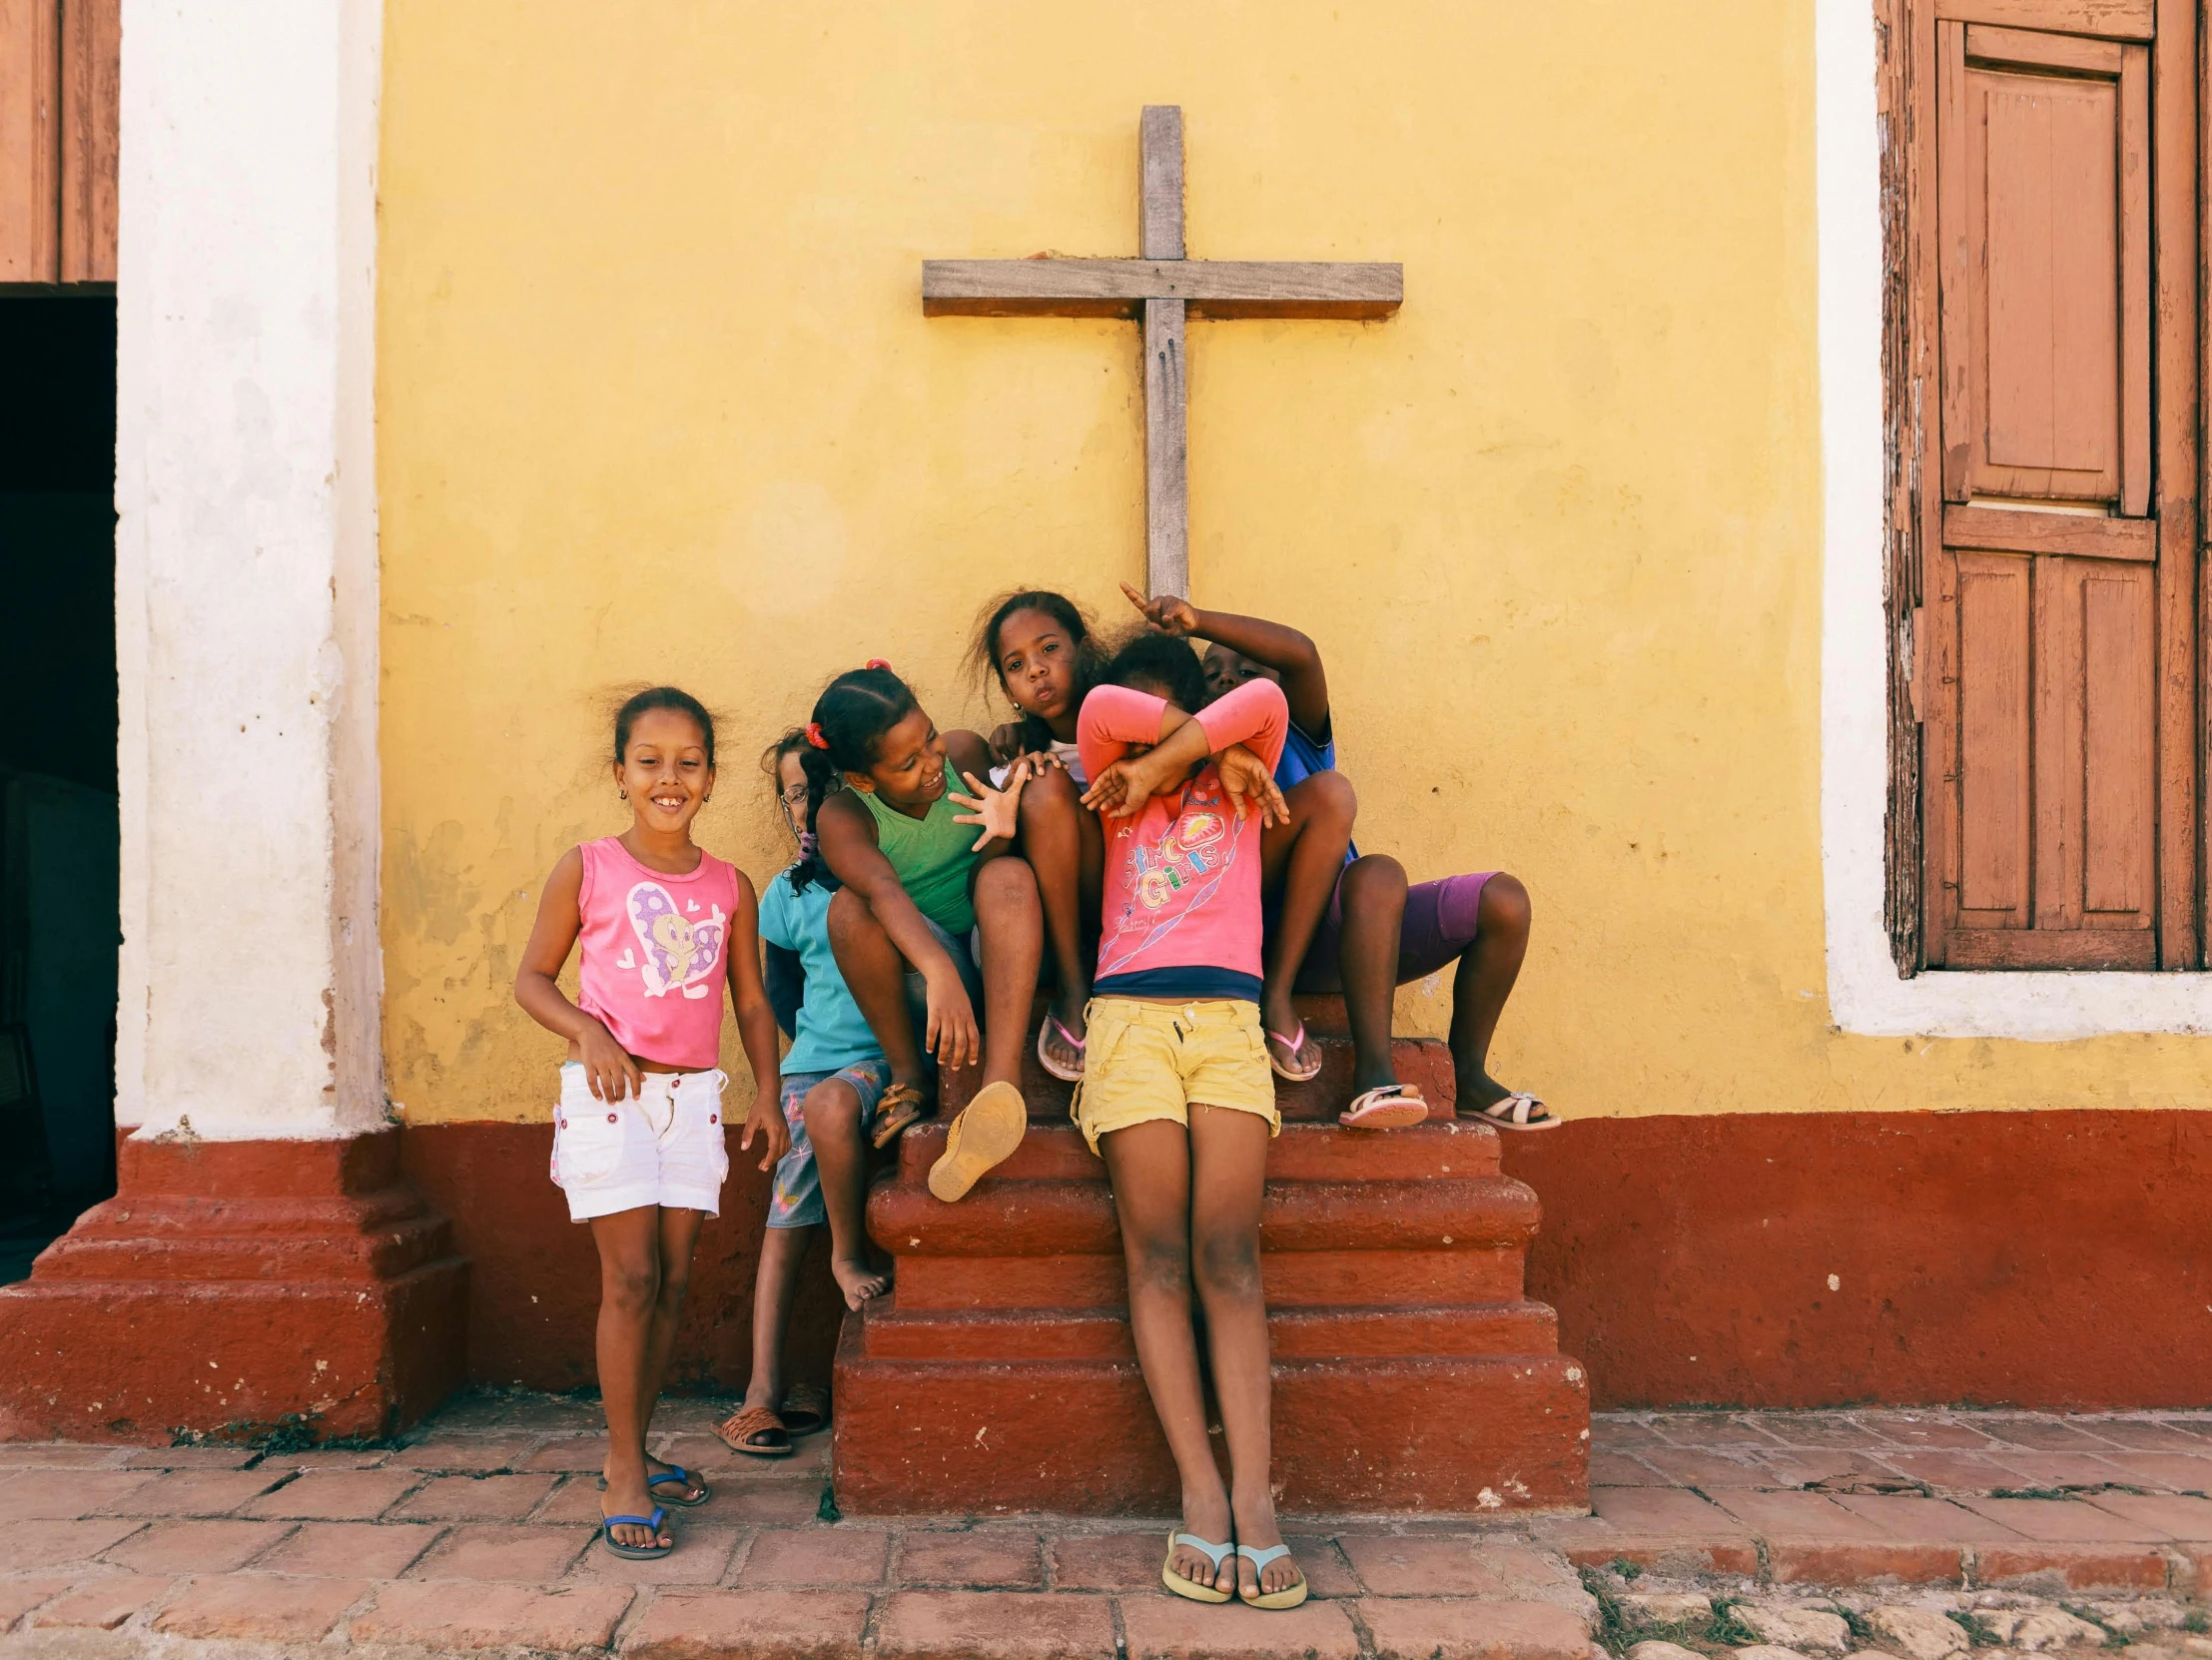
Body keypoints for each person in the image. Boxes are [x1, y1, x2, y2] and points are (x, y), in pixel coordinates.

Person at [513, 686, 786, 1559]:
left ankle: (634, 1448)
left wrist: (767, 1094)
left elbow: (749, 999)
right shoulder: (588, 867)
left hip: (693, 1100)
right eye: (650, 762)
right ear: (620, 773)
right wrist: (588, 1030)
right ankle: (624, 1472)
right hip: (609, 1099)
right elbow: (533, 979)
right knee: (628, 1281)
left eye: (689, 762)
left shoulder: (729, 885)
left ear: (709, 777)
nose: (669, 779)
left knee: (670, 1283)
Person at [1072, 629, 1309, 1610]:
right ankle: (1202, 1494)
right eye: (1150, 726)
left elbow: (1264, 694)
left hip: (1226, 1022)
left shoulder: (1243, 782)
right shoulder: (1113, 780)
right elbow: (1100, 716)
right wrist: (1183, 749)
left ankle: (1257, 1506)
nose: (1149, 748)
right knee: (1157, 1255)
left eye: (1178, 715)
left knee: (1228, 1253)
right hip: (1128, 1020)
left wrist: (1198, 755)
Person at [1126, 587, 1552, 1130]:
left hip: (1340, 938)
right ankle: (1374, 1071)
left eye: (1249, 670)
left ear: (1283, 693)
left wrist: (1201, 621)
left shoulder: (1301, 741)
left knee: (1497, 899)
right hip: (1244, 938)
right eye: (1212, 676)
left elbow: (1301, 654)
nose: (1228, 679)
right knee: (1338, 807)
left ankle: (1467, 1074)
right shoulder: (1191, 760)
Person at [798, 660, 1045, 1203]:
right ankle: (909, 1071)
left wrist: (1008, 827)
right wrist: (936, 968)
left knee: (1010, 873)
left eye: (929, 738)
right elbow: (882, 890)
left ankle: (1000, 1087)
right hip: (926, 975)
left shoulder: (965, 754)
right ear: (864, 779)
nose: (933, 763)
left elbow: (1001, 868)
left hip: (1002, 951)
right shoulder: (844, 815)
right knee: (847, 910)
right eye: (909, 763)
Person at [717, 731, 893, 1460]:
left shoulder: (889, 872)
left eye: (822, 787)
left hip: (887, 1065)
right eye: (795, 791)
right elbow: (780, 994)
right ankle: (762, 1392)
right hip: (811, 1072)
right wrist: (798, 1068)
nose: (809, 804)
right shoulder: (785, 896)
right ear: (782, 803)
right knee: (786, 1217)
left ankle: (821, 1372)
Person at [972, 589, 1107, 1081]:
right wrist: (1013, 792)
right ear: (1008, 687)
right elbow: (990, 874)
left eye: (1049, 649)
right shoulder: (1022, 755)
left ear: (1084, 649)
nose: (1035, 670)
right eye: (1016, 664)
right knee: (1044, 782)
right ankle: (1074, 987)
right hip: (1060, 922)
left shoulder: (1129, 725)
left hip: (1135, 898)